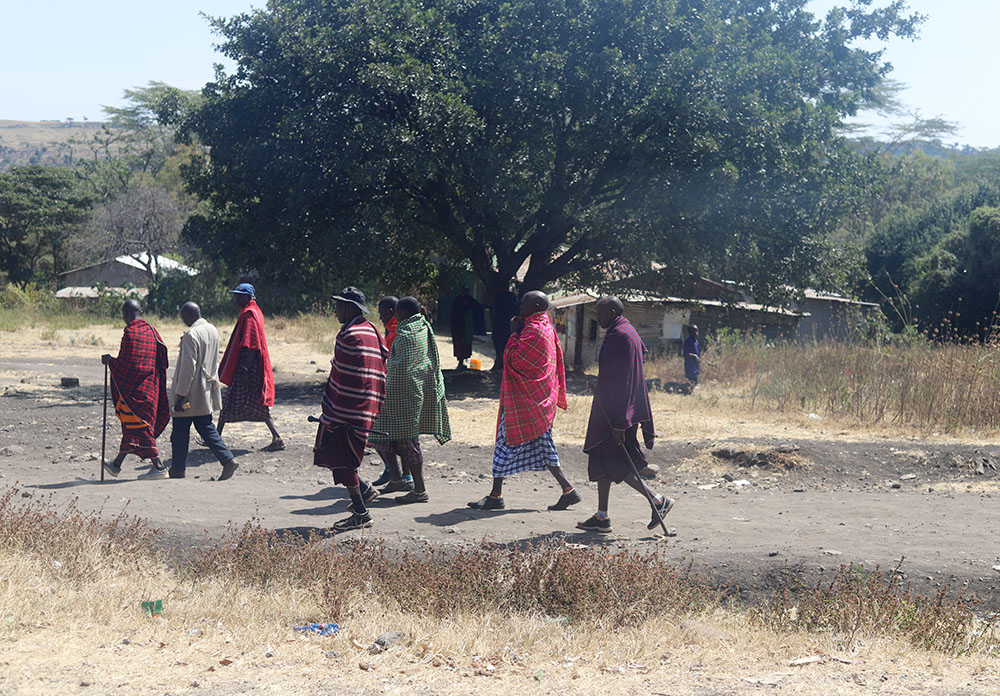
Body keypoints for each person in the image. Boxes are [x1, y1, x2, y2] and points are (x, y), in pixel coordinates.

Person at [468, 290, 581, 511]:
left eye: (523, 305)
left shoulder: (534, 331)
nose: (519, 309)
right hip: (539, 402)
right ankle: (569, 490)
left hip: (525, 403)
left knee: (504, 442)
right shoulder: (546, 327)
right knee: (545, 447)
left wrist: (512, 334)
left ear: (536, 305)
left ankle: (495, 496)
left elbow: (515, 360)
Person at [576, 297, 675, 534]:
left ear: (611, 312)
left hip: (617, 413)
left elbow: (625, 380)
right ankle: (602, 517)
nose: (597, 318)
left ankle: (658, 500)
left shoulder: (621, 336)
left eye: (599, 314)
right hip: (614, 410)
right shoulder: (625, 331)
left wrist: (622, 421)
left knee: (615, 463)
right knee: (603, 460)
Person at [313, 286, 388, 531]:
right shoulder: (372, 330)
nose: (335, 311)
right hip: (367, 406)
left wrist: (332, 409)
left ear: (350, 307)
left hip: (347, 410)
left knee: (342, 459)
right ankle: (364, 490)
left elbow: (341, 375)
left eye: (338, 306)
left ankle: (361, 513)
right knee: (341, 458)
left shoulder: (348, 335)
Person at [370, 296, 451, 503]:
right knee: (381, 434)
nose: (394, 316)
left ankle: (419, 490)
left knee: (408, 441)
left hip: (404, 395)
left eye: (396, 312)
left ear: (403, 314)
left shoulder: (407, 333)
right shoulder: (423, 327)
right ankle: (397, 479)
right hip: (407, 393)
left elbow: (400, 366)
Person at [167, 302, 238, 481]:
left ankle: (177, 470)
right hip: (205, 388)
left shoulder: (191, 334)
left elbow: (187, 369)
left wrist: (180, 395)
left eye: (183, 317)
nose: (182, 320)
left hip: (191, 391)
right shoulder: (212, 329)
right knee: (205, 426)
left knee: (180, 432)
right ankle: (227, 459)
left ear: (188, 315)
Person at [101, 300, 170, 479]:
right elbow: (162, 358)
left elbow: (126, 365)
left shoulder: (130, 333)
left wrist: (110, 361)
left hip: (136, 392)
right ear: (141, 312)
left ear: (125, 314)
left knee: (141, 426)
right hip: (151, 388)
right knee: (132, 427)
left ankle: (159, 467)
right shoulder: (153, 332)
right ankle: (116, 465)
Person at [217, 283, 283, 450]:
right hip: (253, 365)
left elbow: (251, 344)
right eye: (236, 295)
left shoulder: (249, 315)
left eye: (240, 295)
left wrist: (245, 370)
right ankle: (276, 437)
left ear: (249, 297)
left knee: (229, 399)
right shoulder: (255, 312)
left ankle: (215, 438)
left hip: (248, 366)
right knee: (258, 404)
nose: (237, 299)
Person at [371, 295, 401, 488]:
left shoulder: (397, 330)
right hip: (389, 383)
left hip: (393, 387)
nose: (380, 317)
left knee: (376, 433)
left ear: (391, 311)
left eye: (382, 312)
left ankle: (395, 473)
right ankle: (393, 471)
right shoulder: (392, 328)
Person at [491, 282, 520, 371]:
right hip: (502, 324)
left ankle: (505, 364)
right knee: (501, 344)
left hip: (506, 325)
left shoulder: (508, 297)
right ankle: (502, 363)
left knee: (505, 344)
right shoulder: (501, 296)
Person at [449, 286, 478, 370]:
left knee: (466, 344)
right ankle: (460, 362)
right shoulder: (457, 301)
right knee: (460, 344)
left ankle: (464, 361)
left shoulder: (469, 299)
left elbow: (476, 306)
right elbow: (453, 315)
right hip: (459, 328)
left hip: (467, 328)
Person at [683, 324, 701, 388]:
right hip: (690, 365)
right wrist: (695, 356)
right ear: (690, 332)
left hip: (695, 365)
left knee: (695, 381)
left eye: (697, 331)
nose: (696, 333)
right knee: (692, 382)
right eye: (694, 331)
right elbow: (685, 353)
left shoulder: (696, 342)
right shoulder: (688, 341)